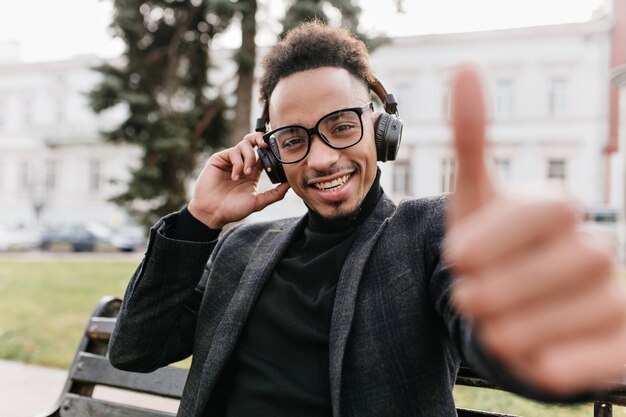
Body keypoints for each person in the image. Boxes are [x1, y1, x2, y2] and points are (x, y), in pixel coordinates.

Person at [109, 21, 626, 417]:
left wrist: (526, 325)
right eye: (294, 139)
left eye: (340, 125)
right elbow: (135, 349)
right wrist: (200, 219)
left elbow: (483, 320)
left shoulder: (427, 232)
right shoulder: (241, 247)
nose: (321, 159)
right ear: (271, 156)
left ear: (381, 130)